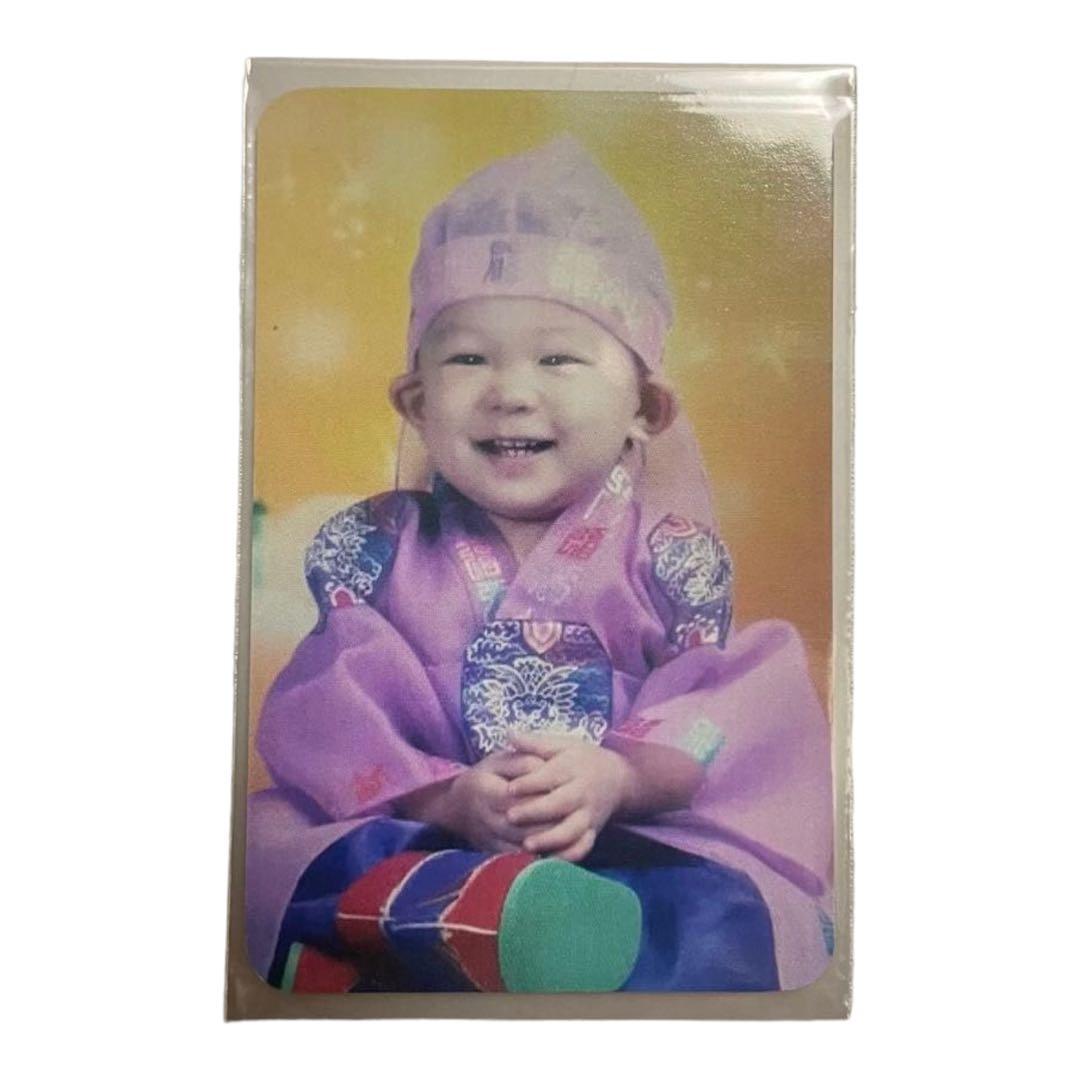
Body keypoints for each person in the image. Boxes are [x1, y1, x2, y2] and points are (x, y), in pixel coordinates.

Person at [246, 135, 833, 993]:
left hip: (624, 842)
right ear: (416, 401)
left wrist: (620, 777)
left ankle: (542, 933)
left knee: (720, 899)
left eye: (558, 358)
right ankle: (479, 918)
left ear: (646, 407)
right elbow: (333, 705)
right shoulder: (380, 551)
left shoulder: (667, 560)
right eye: (468, 358)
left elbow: (721, 703)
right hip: (429, 828)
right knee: (272, 853)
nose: (511, 392)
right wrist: (444, 798)